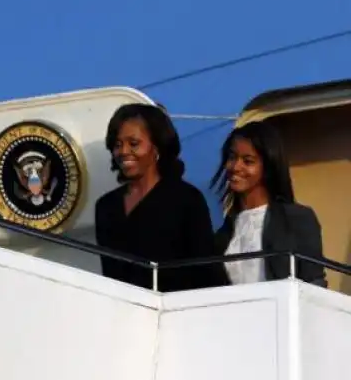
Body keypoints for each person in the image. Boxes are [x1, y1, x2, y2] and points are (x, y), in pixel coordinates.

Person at [94, 103, 222, 291]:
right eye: (117, 144)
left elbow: (207, 273)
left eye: (134, 143)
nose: (123, 152)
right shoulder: (106, 206)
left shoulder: (186, 200)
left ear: (157, 147)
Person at [211, 121, 326, 286]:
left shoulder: (297, 219)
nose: (236, 166)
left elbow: (315, 283)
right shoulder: (225, 232)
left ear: (268, 166)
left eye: (248, 161)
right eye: (232, 157)